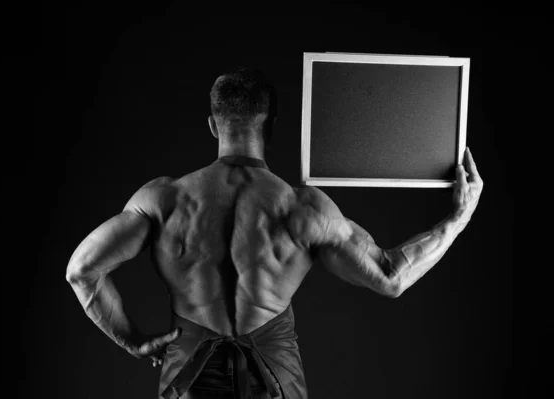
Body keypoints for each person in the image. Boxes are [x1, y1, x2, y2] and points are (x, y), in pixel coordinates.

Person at [66, 67, 483, 399]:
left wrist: (132, 341)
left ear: (213, 125)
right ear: (272, 126)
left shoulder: (163, 200)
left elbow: (81, 270)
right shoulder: (302, 208)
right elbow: (391, 276)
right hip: (274, 385)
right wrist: (459, 217)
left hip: (188, 384)